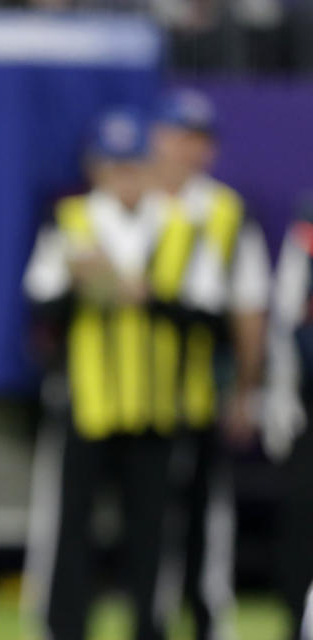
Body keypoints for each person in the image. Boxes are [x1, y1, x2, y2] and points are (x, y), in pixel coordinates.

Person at [23, 108, 174, 640]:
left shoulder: (174, 219)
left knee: (151, 529)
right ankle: (65, 626)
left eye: (132, 166)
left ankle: (148, 626)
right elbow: (41, 301)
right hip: (85, 398)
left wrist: (130, 290)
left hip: (157, 400)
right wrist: (85, 285)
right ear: (96, 168)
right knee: (72, 525)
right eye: (114, 166)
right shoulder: (71, 220)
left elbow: (207, 308)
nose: (124, 179)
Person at [149, 88, 270, 640]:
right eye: (179, 136)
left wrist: (246, 391)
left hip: (197, 388)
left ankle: (206, 623)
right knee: (144, 521)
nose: (187, 150)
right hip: (127, 396)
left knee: (204, 523)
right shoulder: (131, 198)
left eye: (198, 140)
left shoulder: (224, 211)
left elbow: (248, 311)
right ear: (157, 139)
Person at [264, 207, 313, 640]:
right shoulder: (308, 229)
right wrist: (281, 394)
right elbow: (286, 319)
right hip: (309, 405)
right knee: (302, 519)